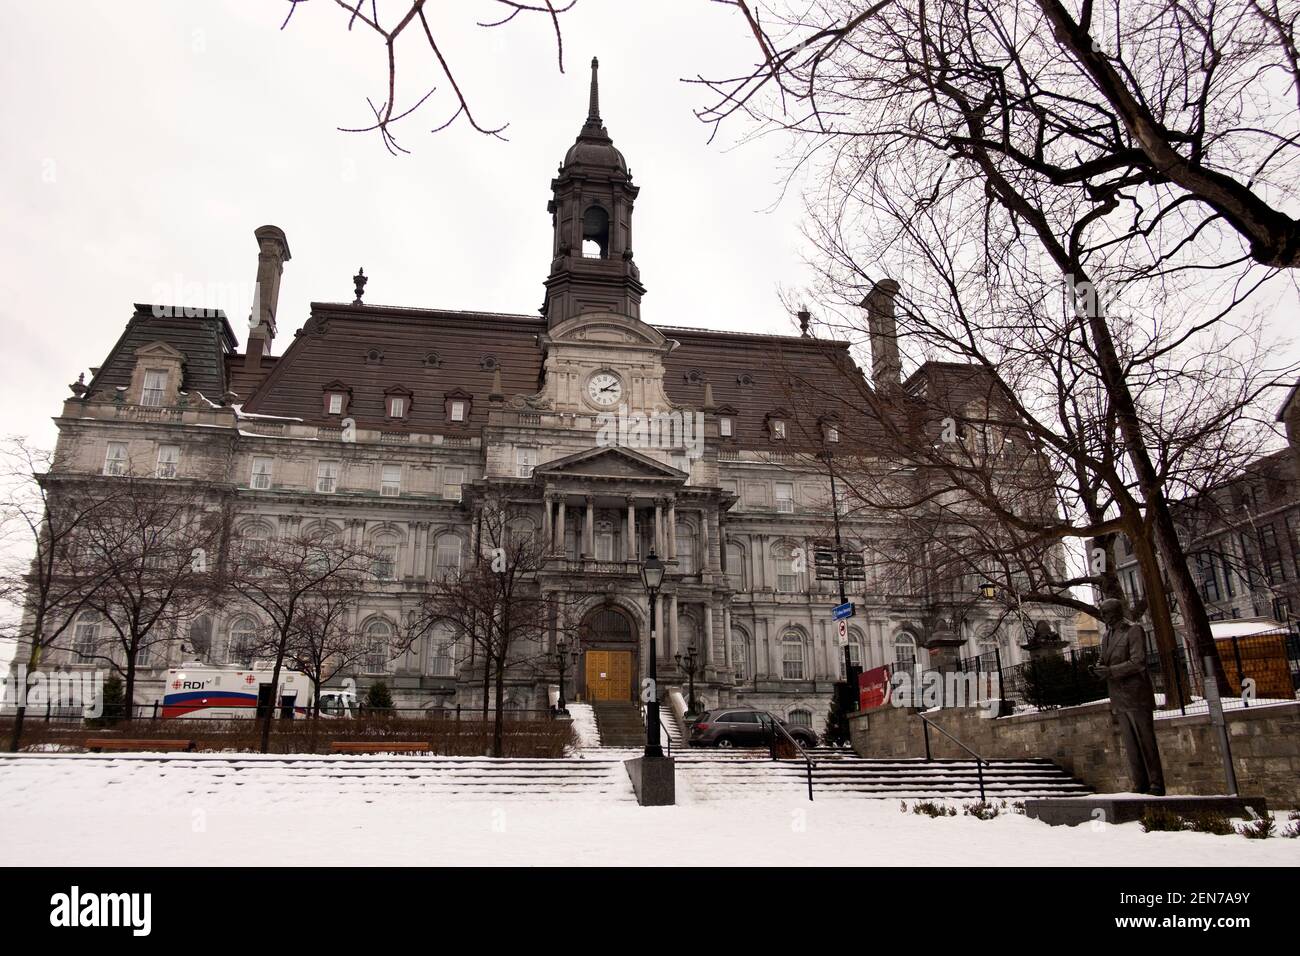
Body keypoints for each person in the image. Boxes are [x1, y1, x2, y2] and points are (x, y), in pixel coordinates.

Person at [1092, 598, 1165, 795]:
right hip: (1118, 696)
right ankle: (1139, 783)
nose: (1103, 616)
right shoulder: (1107, 635)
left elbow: (1138, 662)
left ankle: (1156, 784)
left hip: (1136, 694)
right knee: (1131, 745)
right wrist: (1098, 669)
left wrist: (1110, 671)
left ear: (1115, 612)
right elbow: (1103, 660)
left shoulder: (1133, 630)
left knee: (1146, 741)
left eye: (1105, 613)